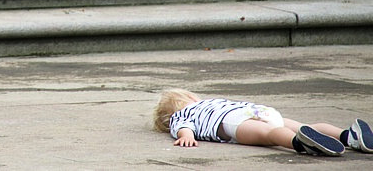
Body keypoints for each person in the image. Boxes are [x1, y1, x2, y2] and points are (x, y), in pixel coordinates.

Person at [152, 88, 373, 157]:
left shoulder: (182, 114)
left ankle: (300, 143)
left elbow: (184, 127)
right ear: (191, 97)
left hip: (231, 124)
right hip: (258, 110)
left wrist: (186, 136)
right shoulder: (210, 101)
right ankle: (347, 136)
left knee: (270, 134)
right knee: (302, 124)